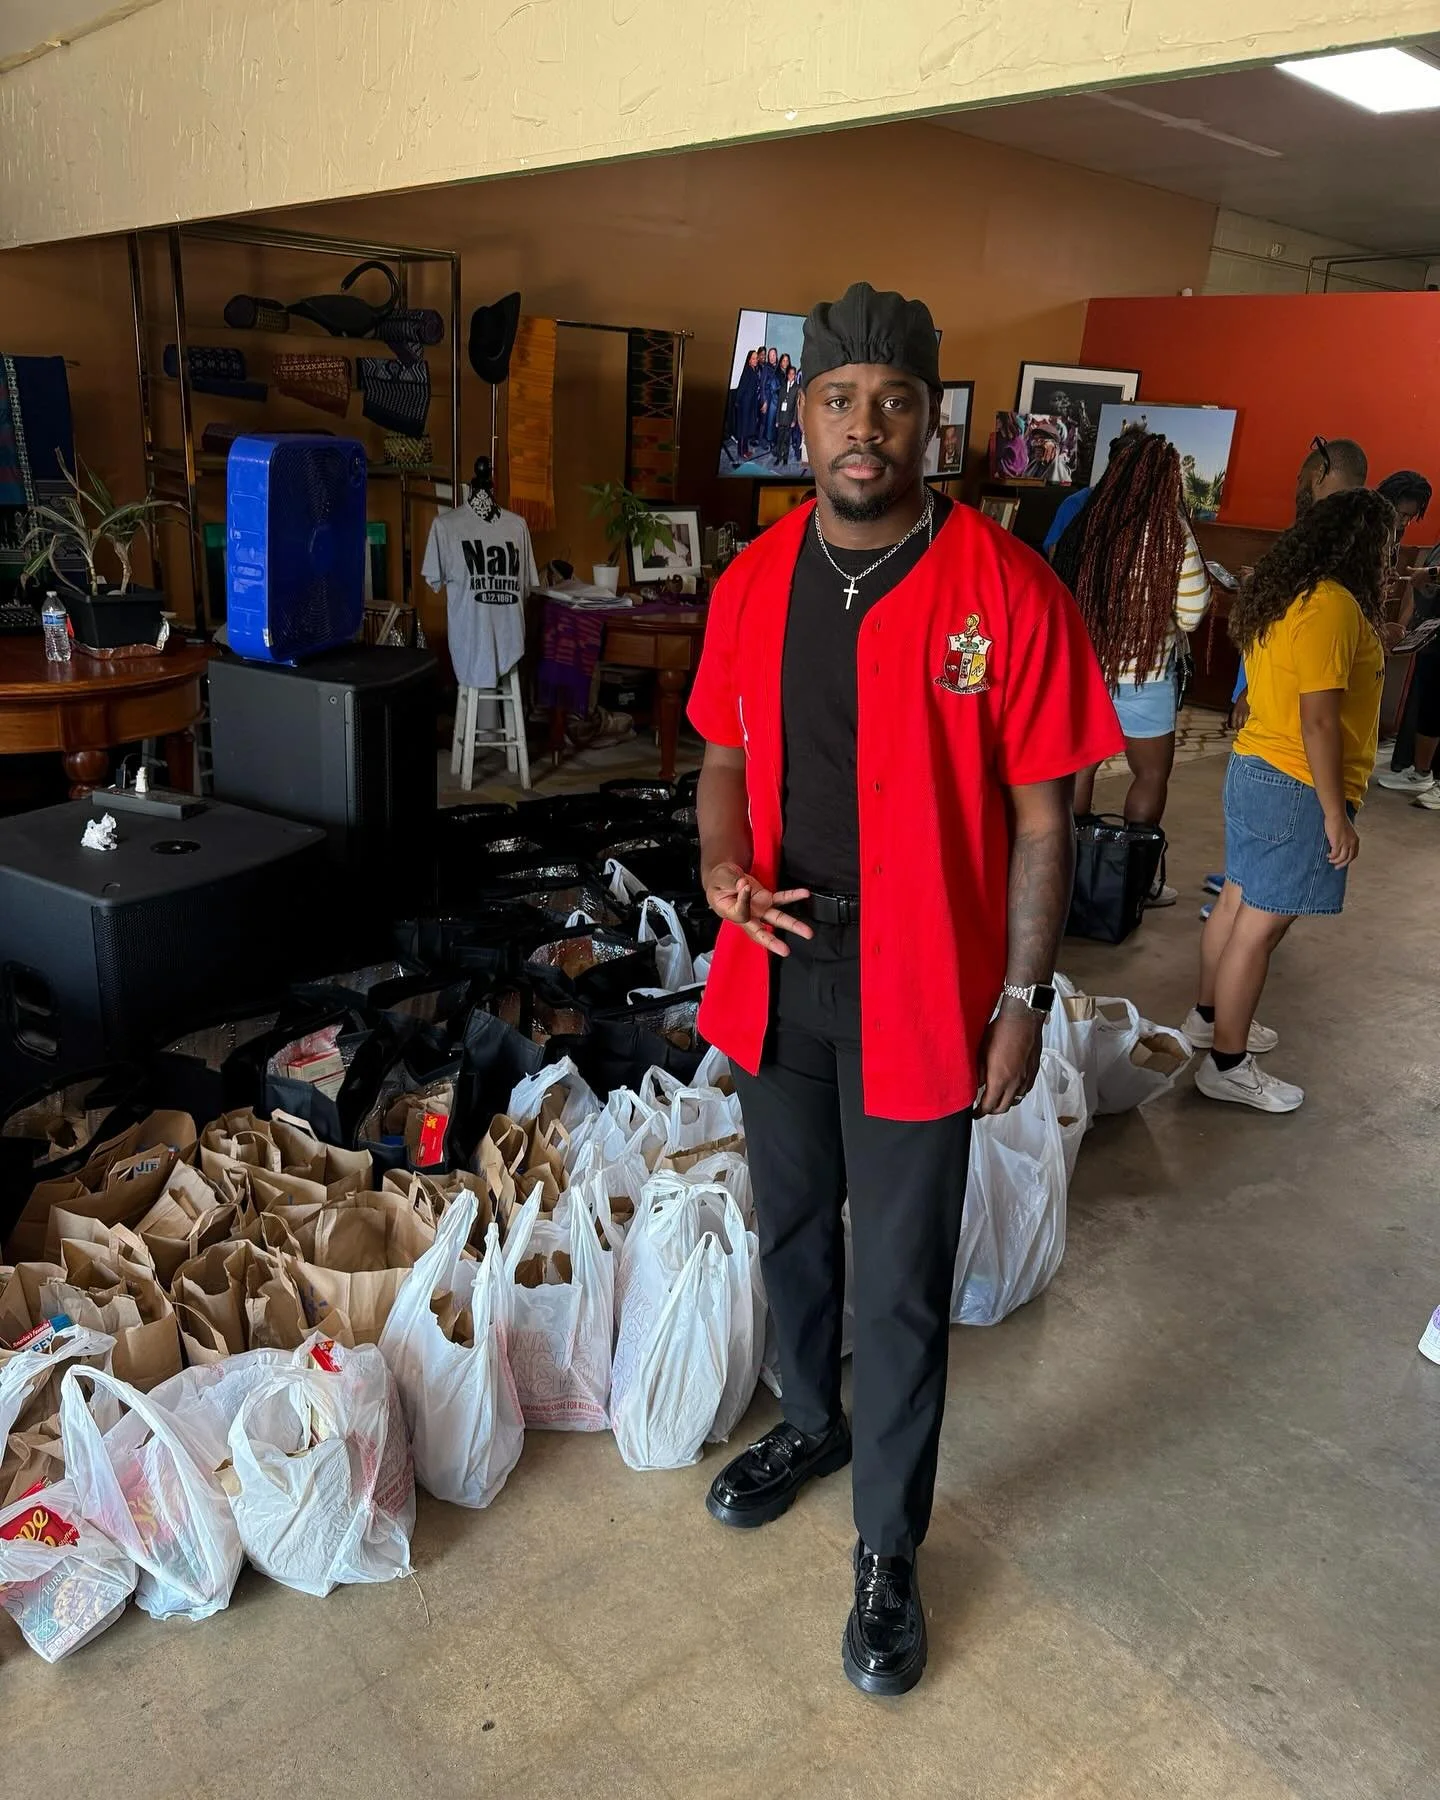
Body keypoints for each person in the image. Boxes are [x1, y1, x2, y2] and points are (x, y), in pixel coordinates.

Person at [688, 281, 1121, 1698]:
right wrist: (715, 869)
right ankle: (810, 1424)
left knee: (904, 1287)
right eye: (837, 400)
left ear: (933, 423)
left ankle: (888, 1548)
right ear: (800, 419)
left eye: (891, 402)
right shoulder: (753, 585)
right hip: (780, 973)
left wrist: (1023, 1000)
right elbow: (725, 755)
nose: (862, 427)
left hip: (926, 985)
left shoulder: (1006, 589)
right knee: (795, 1234)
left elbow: (1047, 822)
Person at [1188, 487, 1394, 1112]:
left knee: (1238, 900)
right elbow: (1320, 723)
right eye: (1386, 545)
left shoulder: (1289, 595)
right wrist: (1336, 814)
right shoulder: (1330, 606)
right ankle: (1227, 1063)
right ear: (1362, 547)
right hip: (1297, 781)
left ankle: (1209, 1018)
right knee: (1262, 924)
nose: (1390, 556)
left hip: (1257, 766)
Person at [1052, 431, 1213, 896]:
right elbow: (1191, 611)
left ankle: (1068, 875)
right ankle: (1132, 884)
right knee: (1150, 774)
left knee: (1080, 768)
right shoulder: (1170, 532)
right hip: (1145, 676)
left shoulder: (1086, 520)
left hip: (1084, 671)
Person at [1231, 434, 1371, 729]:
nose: (1296, 488)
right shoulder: (1360, 551)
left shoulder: (1316, 554)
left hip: (1293, 736)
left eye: (1299, 479)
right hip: (1283, 729)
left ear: (1319, 474)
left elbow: (1277, 628)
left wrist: (1248, 690)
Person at [1372, 470, 1438, 796]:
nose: (1404, 521)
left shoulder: (1391, 535)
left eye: (1410, 516)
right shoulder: (1366, 528)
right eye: (1401, 513)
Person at [772, 363, 802, 468]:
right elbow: (779, 404)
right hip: (781, 418)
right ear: (787, 375)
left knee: (786, 439)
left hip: (790, 419)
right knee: (779, 439)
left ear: (795, 375)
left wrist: (794, 420)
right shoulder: (783, 387)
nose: (791, 376)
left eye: (793, 374)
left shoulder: (797, 388)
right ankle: (778, 457)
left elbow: (796, 407)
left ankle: (785, 458)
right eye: (789, 374)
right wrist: (777, 419)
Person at [734, 350, 762, 459]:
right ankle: (741, 452)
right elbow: (742, 387)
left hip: (750, 403)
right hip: (744, 404)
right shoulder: (747, 371)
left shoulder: (754, 370)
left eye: (756, 358)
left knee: (746, 427)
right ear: (749, 360)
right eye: (754, 358)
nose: (756, 360)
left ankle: (745, 450)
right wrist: (737, 401)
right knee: (743, 428)